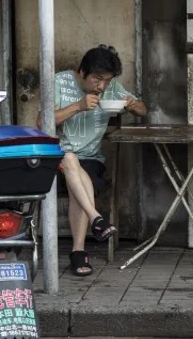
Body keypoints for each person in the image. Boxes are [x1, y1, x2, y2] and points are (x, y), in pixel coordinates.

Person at [41, 45, 147, 277]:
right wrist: (78, 106)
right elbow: (42, 121)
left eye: (107, 81)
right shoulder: (59, 82)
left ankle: (86, 238)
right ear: (81, 72)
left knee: (77, 175)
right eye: (97, 79)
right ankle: (93, 223)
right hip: (53, 161)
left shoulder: (112, 89)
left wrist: (131, 104)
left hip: (91, 160)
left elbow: (142, 110)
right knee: (69, 158)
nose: (102, 86)